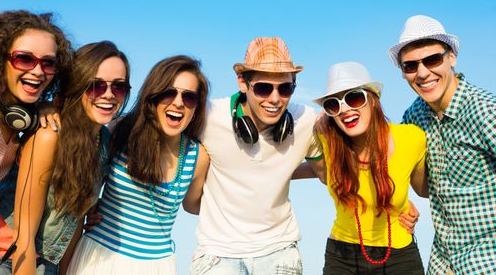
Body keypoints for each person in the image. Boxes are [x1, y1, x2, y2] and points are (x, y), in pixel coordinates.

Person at [0, 41, 131, 274]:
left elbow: (73, 220)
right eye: (96, 86)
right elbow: (23, 237)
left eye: (118, 87)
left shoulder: (103, 143)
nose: (108, 95)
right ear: (77, 87)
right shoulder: (49, 135)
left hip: (44, 260)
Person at [187, 37, 322, 275]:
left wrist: (281, 174)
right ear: (242, 82)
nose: (274, 98)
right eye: (263, 87)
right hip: (217, 255)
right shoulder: (207, 115)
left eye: (285, 88)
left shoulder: (306, 121)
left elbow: (330, 172)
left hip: (280, 252)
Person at [66, 55, 210, 275]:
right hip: (99, 258)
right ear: (153, 96)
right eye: (169, 92)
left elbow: (194, 205)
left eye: (189, 97)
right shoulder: (119, 131)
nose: (178, 103)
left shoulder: (197, 156)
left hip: (156, 266)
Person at [388, 15, 496, 275]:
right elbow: (424, 189)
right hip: (442, 260)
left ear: (452, 58)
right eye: (410, 66)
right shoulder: (414, 117)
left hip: (487, 257)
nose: (423, 72)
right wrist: (402, 205)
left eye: (432, 59)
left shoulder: (484, 110)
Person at [306, 61, 427, 274]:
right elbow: (321, 172)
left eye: (354, 97)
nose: (344, 109)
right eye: (333, 104)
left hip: (399, 255)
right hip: (342, 256)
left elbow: (422, 188)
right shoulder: (327, 138)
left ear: (373, 100)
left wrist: (401, 202)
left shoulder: (411, 138)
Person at [0, 10, 72, 227]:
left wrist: (43, 106)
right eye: (24, 59)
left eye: (48, 64)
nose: (38, 71)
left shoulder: (18, 117)